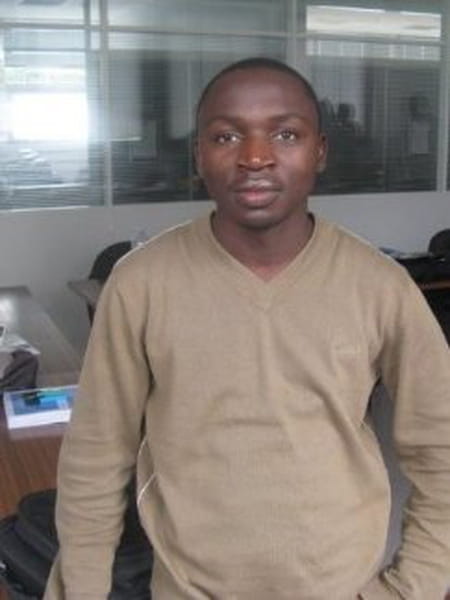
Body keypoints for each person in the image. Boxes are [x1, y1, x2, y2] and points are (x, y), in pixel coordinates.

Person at [44, 57, 450, 600]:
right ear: (199, 154)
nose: (255, 157)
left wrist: (412, 587)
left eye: (286, 134)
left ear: (320, 151)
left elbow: (440, 448)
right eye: (226, 135)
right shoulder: (139, 283)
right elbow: (95, 456)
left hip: (340, 586)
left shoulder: (381, 285)